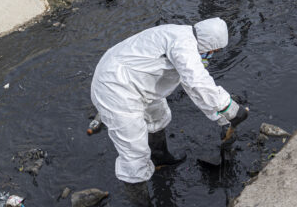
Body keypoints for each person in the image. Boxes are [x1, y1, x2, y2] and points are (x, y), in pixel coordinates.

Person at [91, 18, 248, 196]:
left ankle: (159, 157)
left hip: (135, 78)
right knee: (134, 155)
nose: (211, 54)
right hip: (115, 88)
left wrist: (222, 119)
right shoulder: (183, 46)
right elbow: (197, 82)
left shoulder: (185, 35)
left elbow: (194, 88)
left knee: (158, 115)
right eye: (213, 51)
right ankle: (140, 199)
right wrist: (230, 110)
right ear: (208, 44)